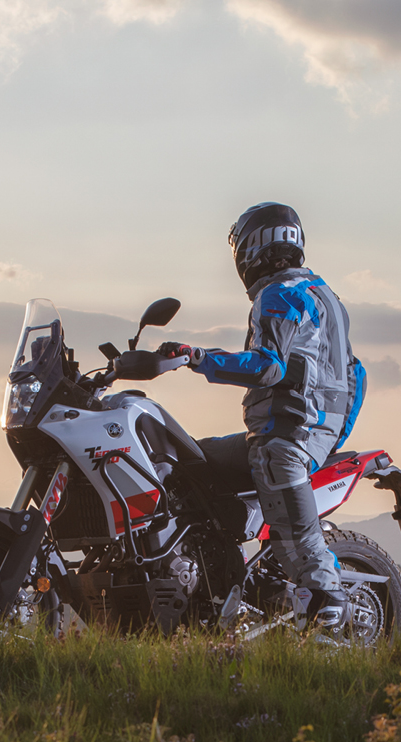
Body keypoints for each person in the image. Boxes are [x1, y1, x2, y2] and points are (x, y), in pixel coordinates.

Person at [157, 202, 366, 631]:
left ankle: (327, 608)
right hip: (295, 431)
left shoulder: (280, 294)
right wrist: (331, 434)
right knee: (191, 459)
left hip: (287, 436)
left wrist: (200, 358)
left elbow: (267, 366)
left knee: (295, 533)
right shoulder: (324, 295)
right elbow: (356, 374)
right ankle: (217, 569)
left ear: (252, 247)